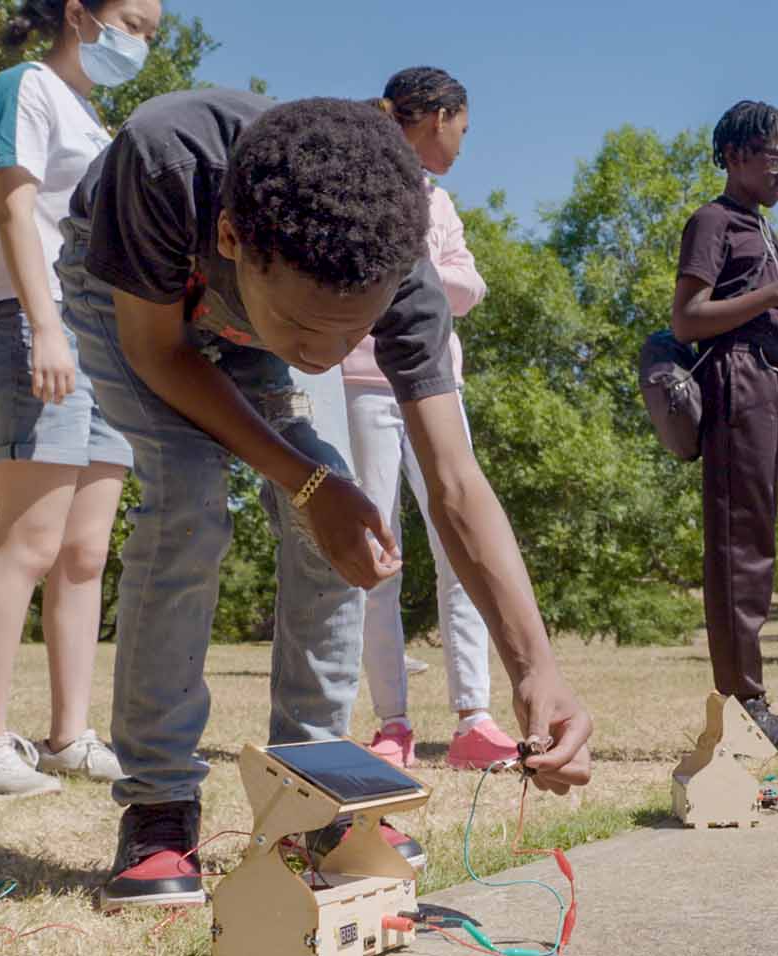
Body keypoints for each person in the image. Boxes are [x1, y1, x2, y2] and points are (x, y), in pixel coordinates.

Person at [55, 90, 592, 908]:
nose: (324, 360)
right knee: (189, 499)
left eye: (353, 336)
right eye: (311, 333)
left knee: (342, 517)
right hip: (132, 303)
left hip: (245, 319)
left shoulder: (397, 264)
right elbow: (161, 353)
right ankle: (160, 808)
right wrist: (307, 483)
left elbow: (453, 479)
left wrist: (538, 669)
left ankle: (311, 796)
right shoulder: (169, 157)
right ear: (233, 238)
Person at [0, 0, 161, 796]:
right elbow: (13, 201)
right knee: (29, 544)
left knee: (83, 555)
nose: (139, 42)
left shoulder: (96, 120)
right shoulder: (24, 86)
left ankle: (70, 736)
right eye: (131, 22)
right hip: (38, 333)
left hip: (102, 349)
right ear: (79, 14)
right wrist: (45, 327)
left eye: (151, 32)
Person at [340, 67, 515, 771]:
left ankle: (475, 718)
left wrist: (412, 269)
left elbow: (469, 286)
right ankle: (393, 723)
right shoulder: (355, 179)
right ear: (437, 116)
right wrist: (421, 271)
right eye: (463, 130)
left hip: (438, 386)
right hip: (360, 382)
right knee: (376, 552)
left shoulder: (438, 201)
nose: (463, 146)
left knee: (462, 550)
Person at [671, 100, 778, 750]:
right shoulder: (713, 221)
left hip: (768, 388)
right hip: (734, 384)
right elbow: (688, 318)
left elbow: (772, 338)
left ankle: (752, 702)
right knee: (736, 547)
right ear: (736, 153)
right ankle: (744, 706)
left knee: (758, 547)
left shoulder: (760, 229)